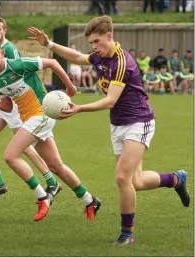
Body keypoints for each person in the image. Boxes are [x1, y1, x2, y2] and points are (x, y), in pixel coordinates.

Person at [27, 15, 190, 244]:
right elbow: (77, 57)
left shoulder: (122, 62)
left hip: (138, 121)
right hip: (118, 124)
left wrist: (79, 108)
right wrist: (49, 45)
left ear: (109, 36)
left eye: (97, 42)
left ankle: (127, 233)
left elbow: (110, 100)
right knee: (136, 181)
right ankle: (175, 179)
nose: (94, 47)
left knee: (122, 178)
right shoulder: (100, 57)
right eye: (91, 43)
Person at [0, 36, 101, 221]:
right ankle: (90, 200)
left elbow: (52, 62)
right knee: (56, 166)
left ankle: (42, 197)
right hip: (29, 119)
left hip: (41, 114)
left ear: (2, 53)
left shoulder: (18, 65)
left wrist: (69, 86)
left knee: (10, 155)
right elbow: (8, 106)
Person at [0, 17, 62, 199]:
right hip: (3, 103)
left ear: (5, 30)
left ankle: (52, 182)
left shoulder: (9, 50)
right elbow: (0, 82)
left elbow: (14, 79)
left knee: (23, 147)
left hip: (17, 104)